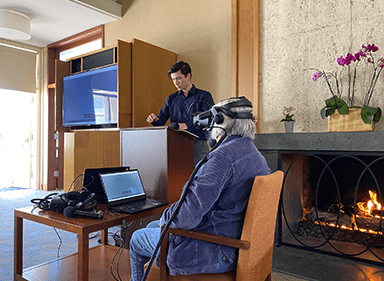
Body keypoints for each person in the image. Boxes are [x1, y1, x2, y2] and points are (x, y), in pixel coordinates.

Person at [130, 97, 271, 280]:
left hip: (219, 251)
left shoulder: (221, 158)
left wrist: (166, 215)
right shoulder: (254, 154)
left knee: (137, 237)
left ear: (220, 123)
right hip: (237, 242)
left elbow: (185, 218)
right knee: (152, 225)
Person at [146, 61, 214, 165]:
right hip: (176, 145)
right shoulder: (171, 99)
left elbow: (209, 120)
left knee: (200, 178)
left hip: (198, 144)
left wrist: (186, 126)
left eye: (179, 78)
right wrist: (155, 120)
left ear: (188, 76)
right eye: (173, 79)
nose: (176, 82)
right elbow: (161, 120)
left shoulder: (204, 96)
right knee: (178, 179)